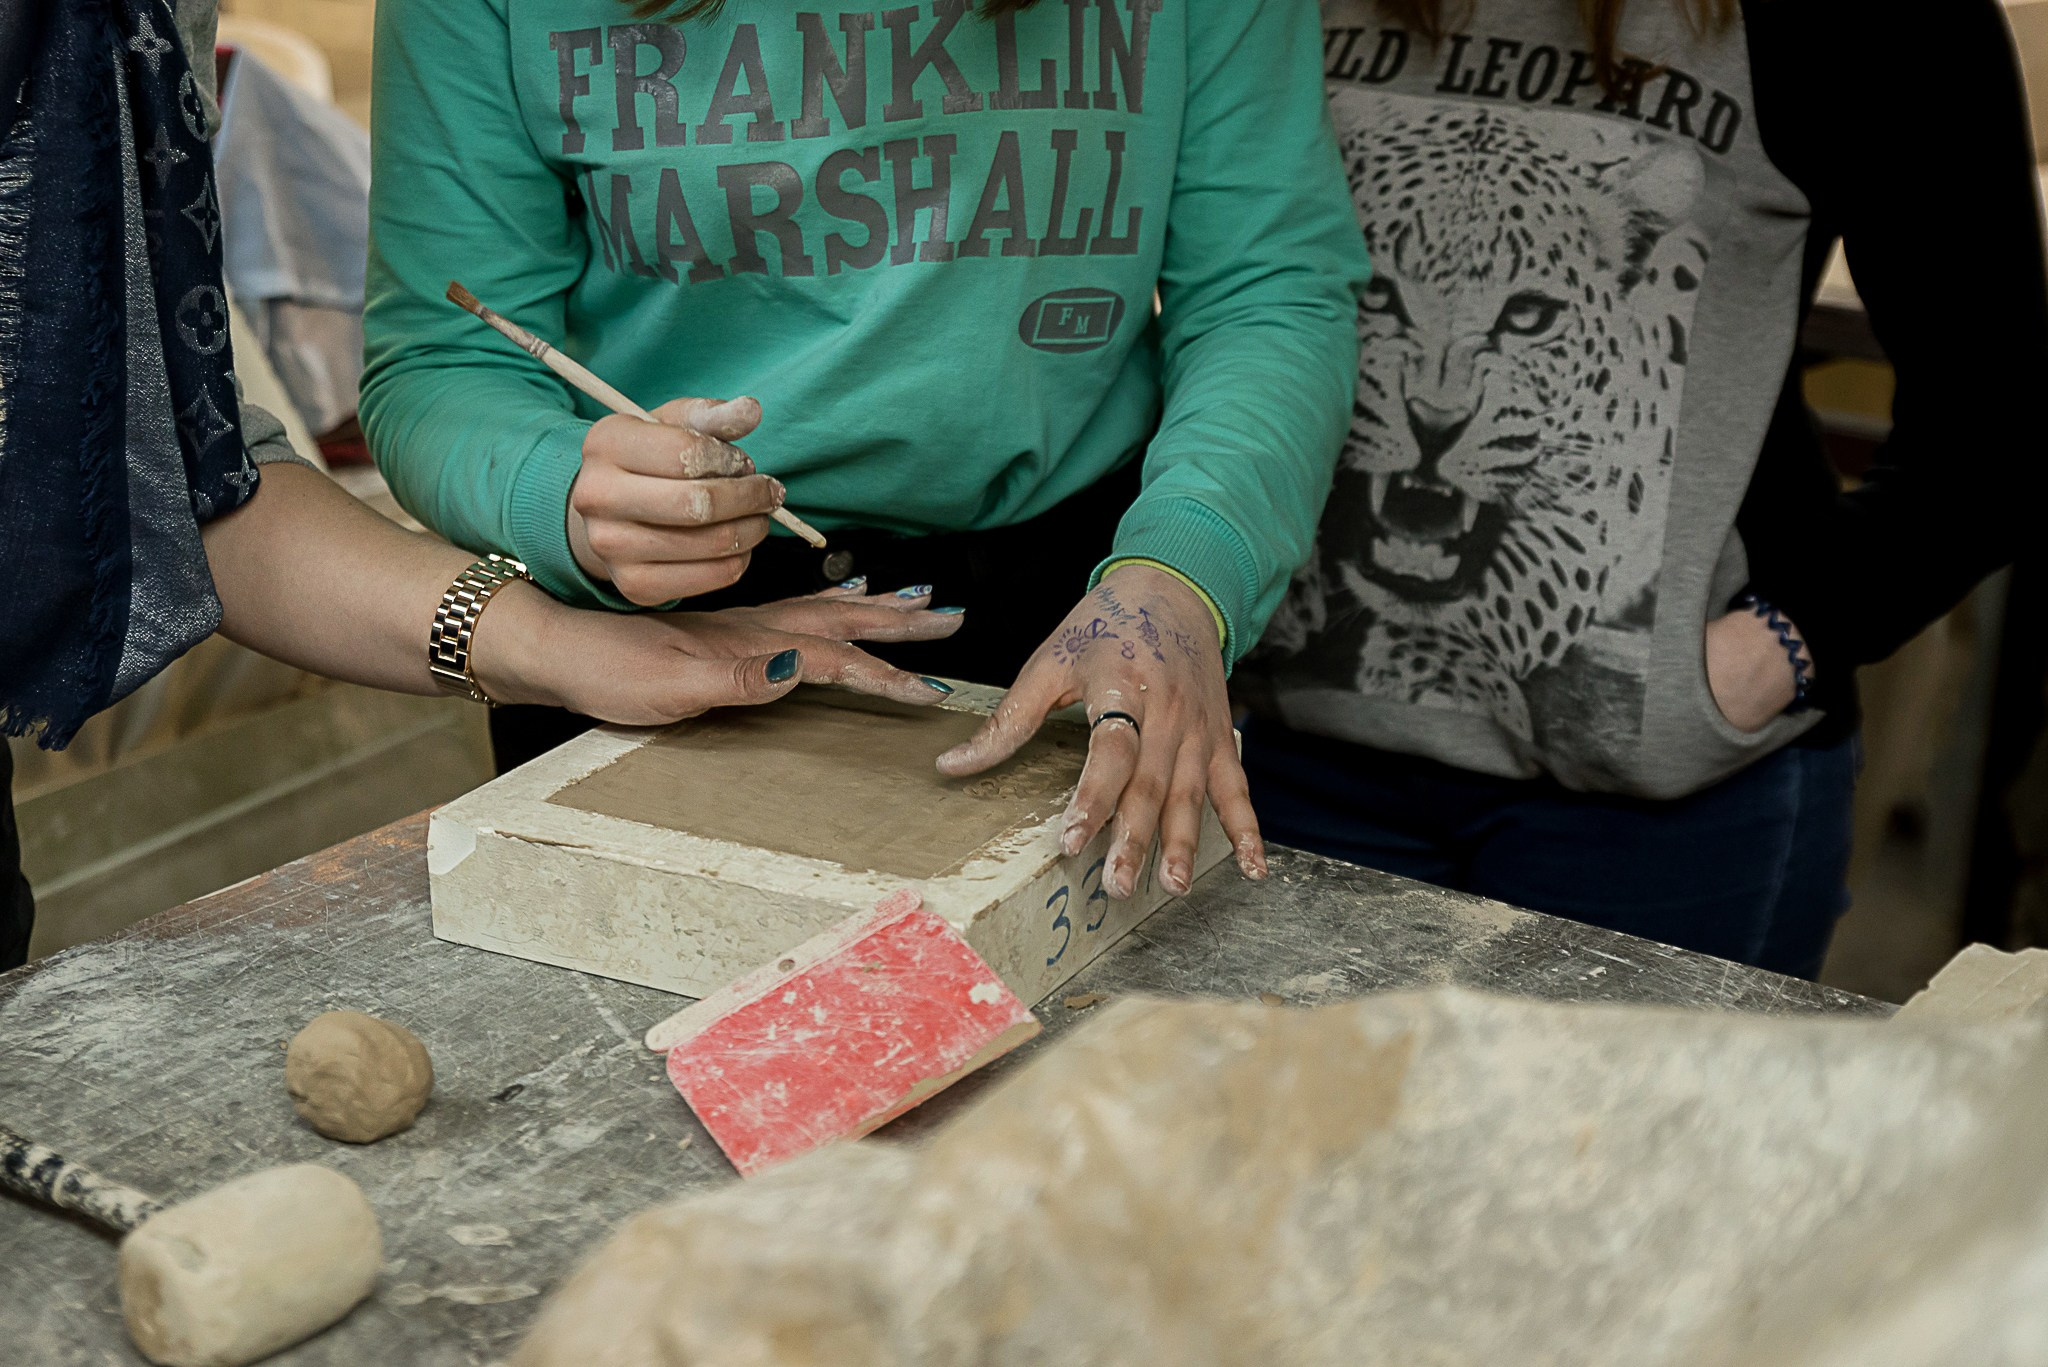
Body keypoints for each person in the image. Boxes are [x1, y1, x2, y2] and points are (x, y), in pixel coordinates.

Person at [0, 0, 964, 970]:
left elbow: (176, 474)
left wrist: (550, 642)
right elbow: (415, 368)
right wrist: (556, 514)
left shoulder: (121, 28)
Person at [361, 0, 1370, 904]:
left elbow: (1263, 292)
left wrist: (1189, 568)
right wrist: (562, 493)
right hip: (651, 619)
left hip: (1084, 608)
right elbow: (443, 359)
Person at [1236, 0, 2047, 977]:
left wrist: (1768, 652)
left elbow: (1998, 427)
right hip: (1296, 762)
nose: (1441, 396)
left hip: (1653, 817)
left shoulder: (1855, 24)